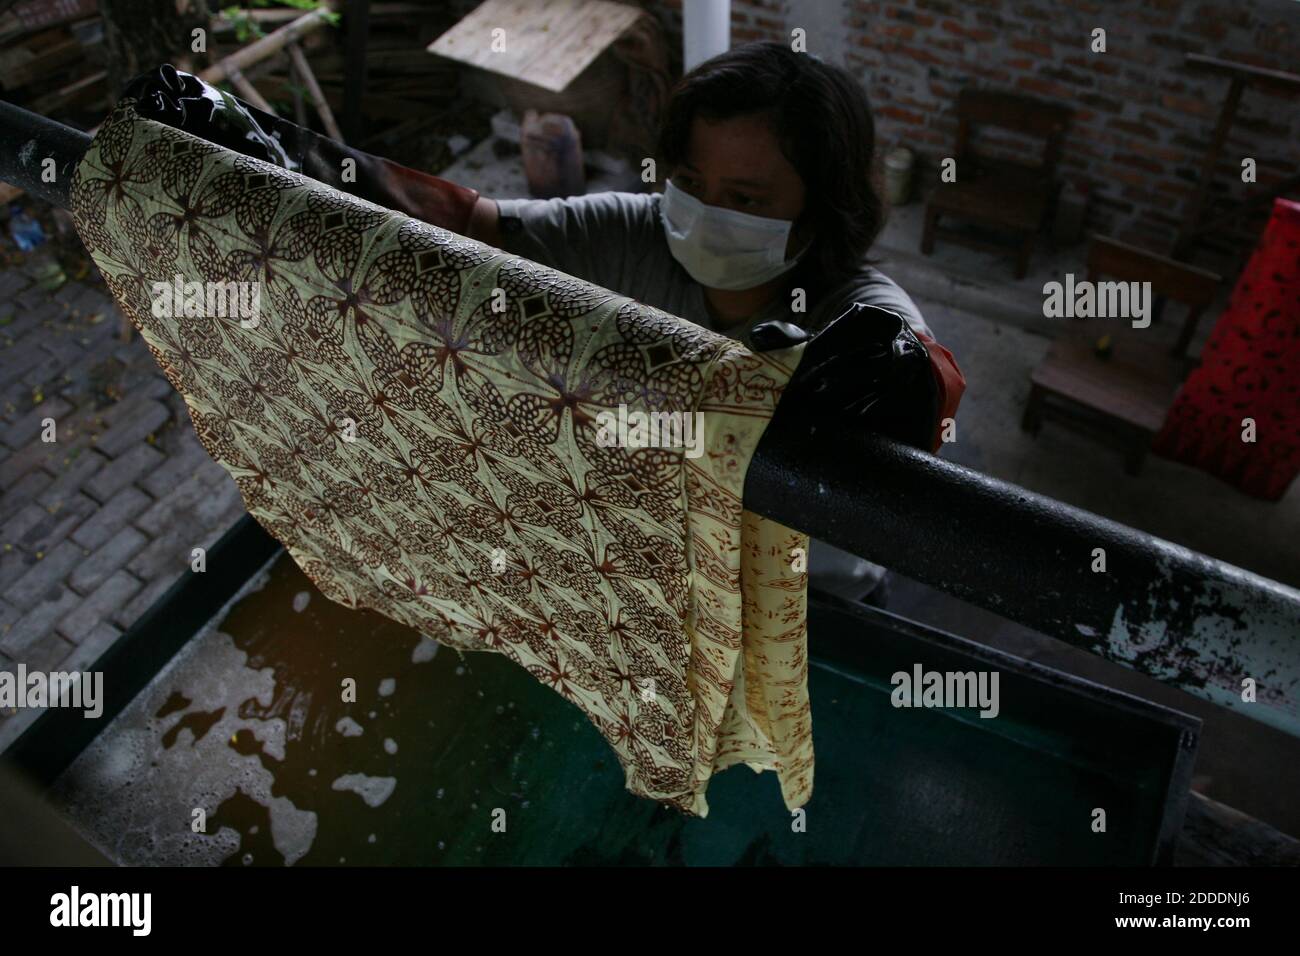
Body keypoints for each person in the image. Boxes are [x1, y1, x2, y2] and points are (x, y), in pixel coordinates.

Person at [465, 41, 963, 605]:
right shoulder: (633, 236)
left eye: (745, 199)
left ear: (821, 210)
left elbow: (919, 376)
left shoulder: (860, 318)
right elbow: (460, 227)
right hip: (665, 571)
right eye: (692, 182)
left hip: (806, 602)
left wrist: (858, 390)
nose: (705, 212)